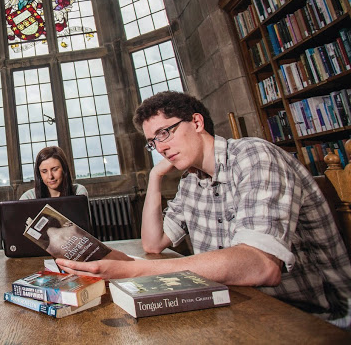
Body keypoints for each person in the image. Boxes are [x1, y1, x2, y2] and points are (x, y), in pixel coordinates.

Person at [56, 91, 351, 328]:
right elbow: (153, 243)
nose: (160, 148)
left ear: (196, 123)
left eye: (165, 133)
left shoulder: (254, 155)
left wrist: (136, 271)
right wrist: (154, 178)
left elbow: (261, 265)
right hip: (237, 308)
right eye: (152, 142)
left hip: (313, 318)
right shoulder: (191, 181)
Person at [20, 146, 87, 199]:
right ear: (39, 174)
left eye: (54, 169)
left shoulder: (78, 191)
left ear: (64, 169)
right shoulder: (28, 197)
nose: (50, 176)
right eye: (44, 171)